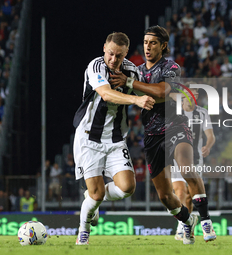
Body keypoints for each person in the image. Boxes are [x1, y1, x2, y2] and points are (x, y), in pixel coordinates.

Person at [110, 26, 216, 244]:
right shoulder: (137, 70)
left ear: (163, 46)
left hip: (176, 127)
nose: (148, 46)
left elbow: (161, 91)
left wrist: (131, 84)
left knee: (187, 169)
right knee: (165, 196)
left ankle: (205, 221)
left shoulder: (171, 67)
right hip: (151, 136)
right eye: (146, 42)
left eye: (153, 43)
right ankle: (187, 221)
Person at [73, 32, 155, 245]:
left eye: (118, 56)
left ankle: (92, 198)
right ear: (104, 49)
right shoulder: (96, 67)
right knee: (97, 195)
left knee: (127, 188)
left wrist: (136, 89)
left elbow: (143, 95)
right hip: (89, 138)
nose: (113, 59)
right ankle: (84, 231)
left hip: (116, 139)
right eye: (110, 54)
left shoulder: (131, 71)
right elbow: (106, 94)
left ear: (126, 53)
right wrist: (134, 100)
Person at [170, 85, 215, 241]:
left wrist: (207, 146)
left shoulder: (202, 113)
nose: (193, 95)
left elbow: (210, 135)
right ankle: (183, 224)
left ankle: (185, 225)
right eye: (190, 92)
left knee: (189, 195)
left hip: (195, 158)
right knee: (180, 192)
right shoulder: (174, 112)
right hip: (176, 158)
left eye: (195, 93)